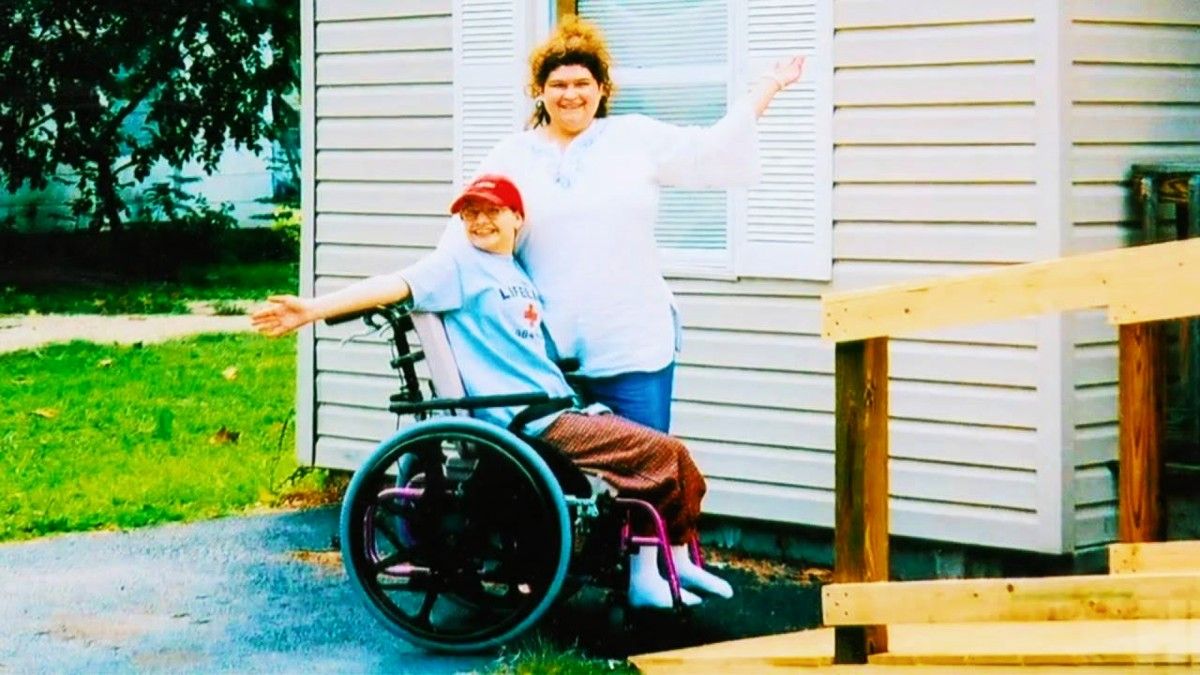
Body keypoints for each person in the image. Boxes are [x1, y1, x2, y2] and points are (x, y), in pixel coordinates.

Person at [251, 175, 732, 609]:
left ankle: (675, 559)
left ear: (517, 219)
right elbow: (392, 284)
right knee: (663, 454)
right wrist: (311, 309)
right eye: (470, 214)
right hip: (530, 421)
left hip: (557, 407)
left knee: (671, 461)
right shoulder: (456, 267)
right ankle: (650, 578)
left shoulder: (516, 273)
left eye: (492, 211)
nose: (480, 221)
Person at [452, 16, 805, 433]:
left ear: (602, 89)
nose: (571, 95)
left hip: (633, 347)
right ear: (539, 92)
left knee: (645, 477)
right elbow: (465, 234)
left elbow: (710, 150)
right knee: (565, 488)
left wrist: (768, 86)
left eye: (582, 83)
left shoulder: (633, 137)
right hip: (548, 355)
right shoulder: (511, 154)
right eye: (558, 85)